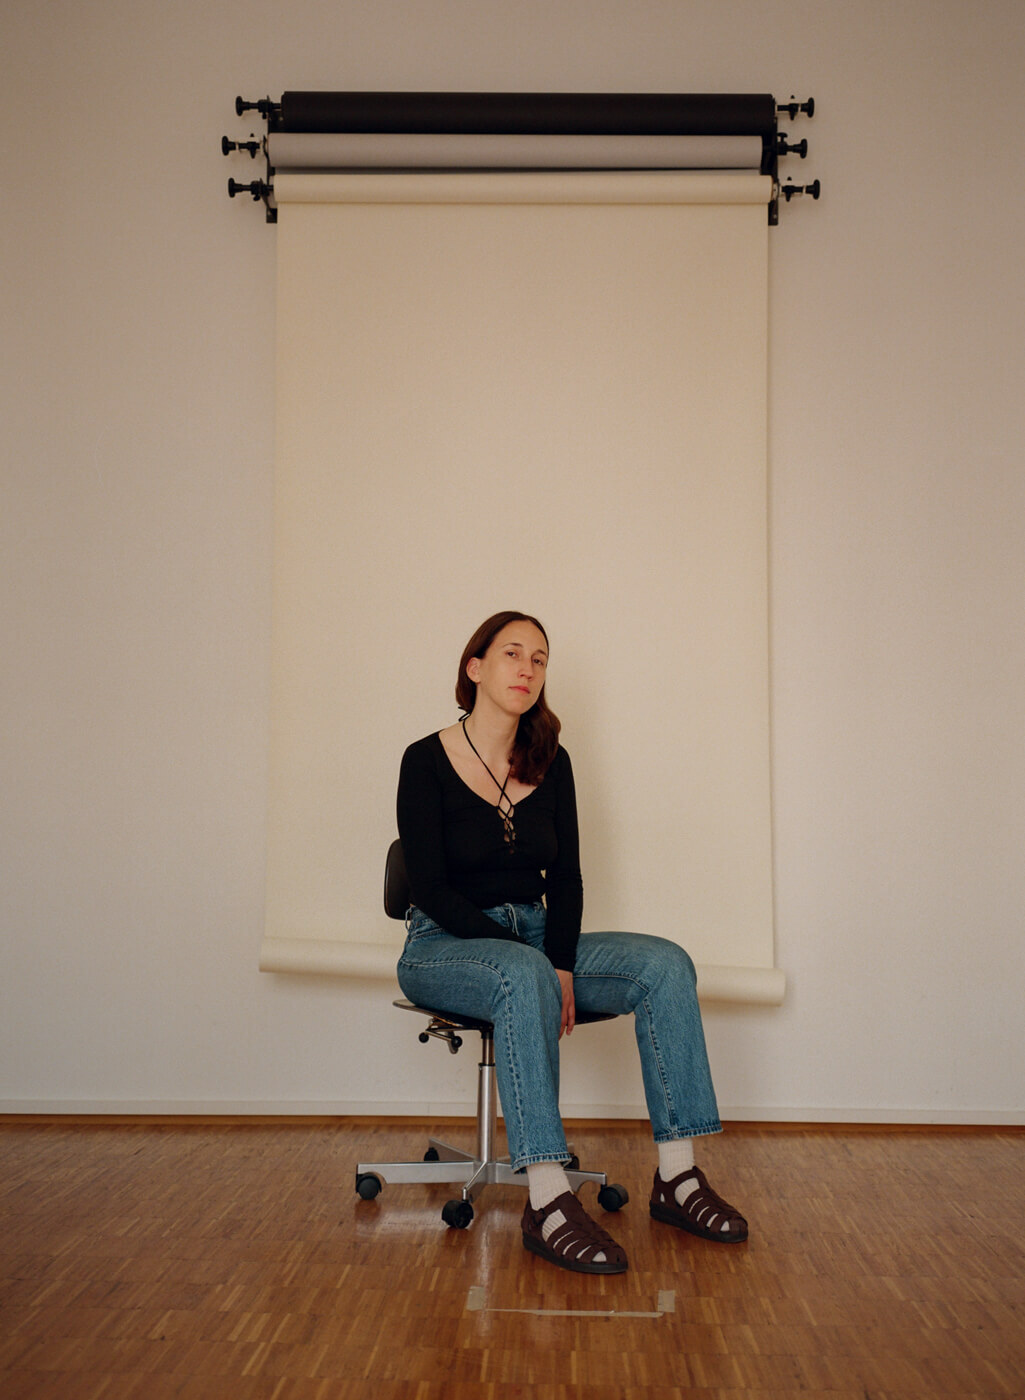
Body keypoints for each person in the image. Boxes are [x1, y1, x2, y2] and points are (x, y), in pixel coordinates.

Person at [395, 610, 747, 1275]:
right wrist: (533, 962)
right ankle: (548, 1199)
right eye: (512, 653)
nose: (527, 668)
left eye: (539, 659)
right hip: (444, 943)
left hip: (535, 938)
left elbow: (567, 879)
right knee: (520, 972)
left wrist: (554, 958)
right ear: (475, 667)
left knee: (665, 965)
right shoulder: (424, 760)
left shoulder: (550, 763)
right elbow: (432, 889)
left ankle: (677, 1178)